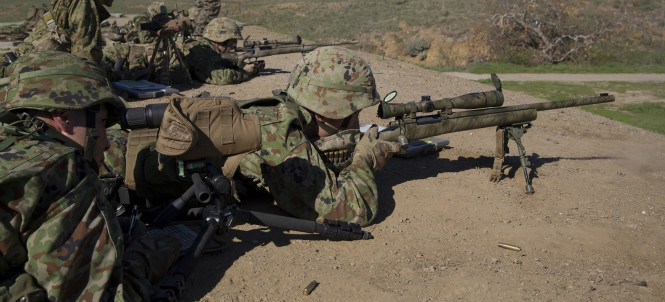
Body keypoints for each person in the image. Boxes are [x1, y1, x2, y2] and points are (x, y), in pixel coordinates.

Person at [127, 46, 401, 227]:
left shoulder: (277, 115)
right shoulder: (281, 133)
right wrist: (364, 157)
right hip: (122, 165)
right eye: (354, 112)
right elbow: (351, 210)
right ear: (329, 111)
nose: (357, 121)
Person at [0, 51, 181, 301]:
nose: (106, 143)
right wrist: (148, 256)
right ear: (62, 118)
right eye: (102, 122)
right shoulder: (62, 170)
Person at [182, 16, 264, 84]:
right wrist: (246, 71)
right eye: (233, 42)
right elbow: (223, 77)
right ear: (222, 40)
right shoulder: (201, 51)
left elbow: (217, 61)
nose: (234, 46)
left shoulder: (206, 48)